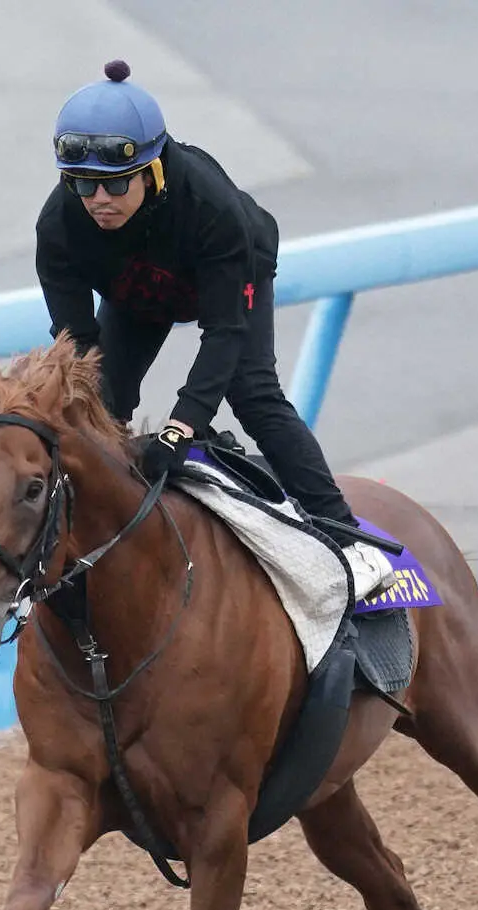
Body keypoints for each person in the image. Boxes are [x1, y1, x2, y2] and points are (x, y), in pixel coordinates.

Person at [35, 60, 396, 600]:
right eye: (81, 185)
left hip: (226, 268)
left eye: (113, 185)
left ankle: (348, 540)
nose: (97, 201)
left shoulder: (209, 204)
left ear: (153, 170)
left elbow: (225, 333)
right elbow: (78, 351)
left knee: (251, 392)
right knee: (98, 402)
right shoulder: (59, 226)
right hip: (141, 286)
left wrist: (182, 427)